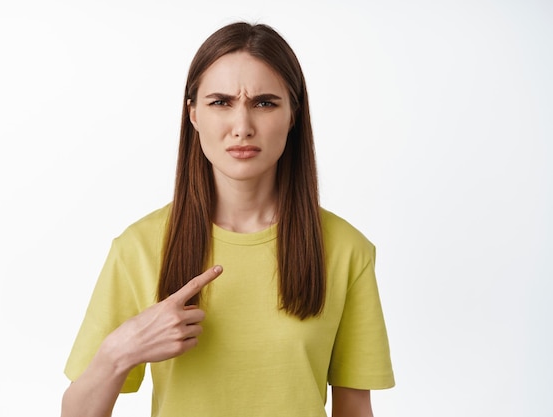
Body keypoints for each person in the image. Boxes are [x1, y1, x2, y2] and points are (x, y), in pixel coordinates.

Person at [62, 22, 394, 417]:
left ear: (293, 115)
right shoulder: (139, 248)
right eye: (221, 102)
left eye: (264, 103)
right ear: (193, 114)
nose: (242, 127)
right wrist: (121, 351)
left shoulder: (345, 250)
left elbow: (354, 409)